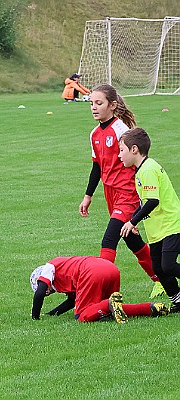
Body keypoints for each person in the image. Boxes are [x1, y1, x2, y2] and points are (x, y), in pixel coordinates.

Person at [78, 83, 164, 298]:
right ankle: (161, 278)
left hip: (126, 193)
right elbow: (97, 166)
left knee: (109, 241)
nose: (94, 108)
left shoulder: (121, 130)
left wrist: (143, 196)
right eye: (91, 104)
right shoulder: (94, 134)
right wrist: (88, 196)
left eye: (99, 103)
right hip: (110, 194)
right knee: (131, 238)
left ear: (112, 105)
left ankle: (99, 291)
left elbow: (136, 162)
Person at [119, 127, 180, 313]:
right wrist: (133, 220)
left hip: (171, 224)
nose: (119, 155)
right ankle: (178, 301)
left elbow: (153, 201)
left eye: (122, 150)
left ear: (134, 149)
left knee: (167, 265)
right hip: (157, 229)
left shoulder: (148, 169)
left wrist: (133, 222)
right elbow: (145, 202)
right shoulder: (141, 170)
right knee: (158, 269)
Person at [31, 256, 169, 323]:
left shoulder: (49, 267)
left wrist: (35, 318)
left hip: (91, 272)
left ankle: (108, 303)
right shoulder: (64, 272)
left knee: (82, 316)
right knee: (111, 310)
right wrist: (51, 314)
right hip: (110, 268)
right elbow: (71, 301)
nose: (46, 292)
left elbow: (39, 294)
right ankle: (150, 308)